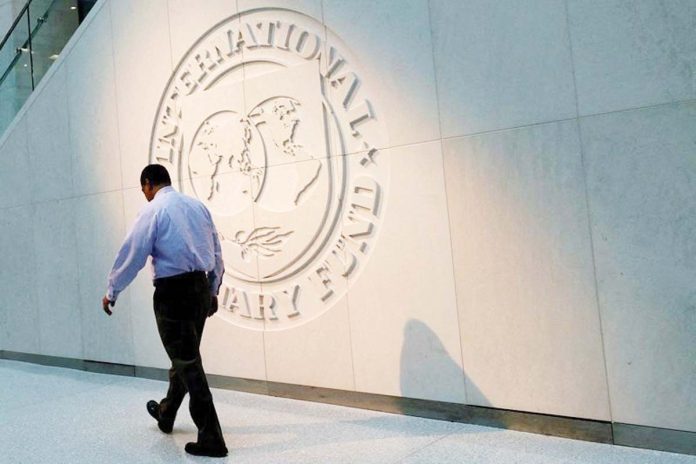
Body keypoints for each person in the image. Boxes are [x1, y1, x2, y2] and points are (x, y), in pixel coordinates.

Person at [102, 164, 228, 458]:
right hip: (199, 289)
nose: (144, 194)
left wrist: (112, 291)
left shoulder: (153, 210)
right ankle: (167, 412)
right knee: (184, 358)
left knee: (187, 361)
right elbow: (217, 251)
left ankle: (212, 437)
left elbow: (132, 253)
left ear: (148, 183)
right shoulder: (197, 207)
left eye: (143, 189)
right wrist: (212, 290)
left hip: (174, 294)